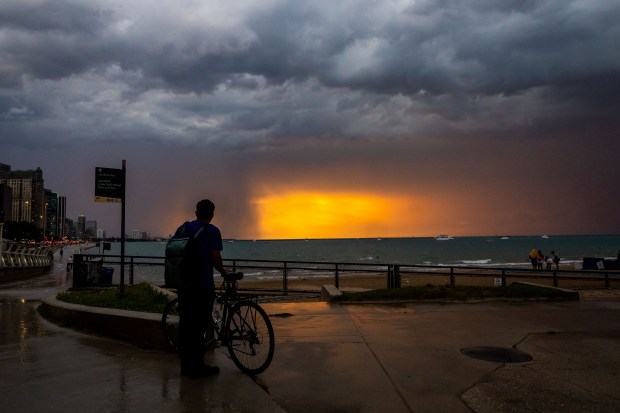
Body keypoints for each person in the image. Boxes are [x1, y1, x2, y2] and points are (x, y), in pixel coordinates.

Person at [174, 199, 229, 379]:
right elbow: (215, 257)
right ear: (212, 214)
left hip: (183, 285)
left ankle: (186, 366)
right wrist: (225, 272)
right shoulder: (212, 231)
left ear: (196, 212)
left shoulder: (182, 229)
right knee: (199, 327)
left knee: (185, 325)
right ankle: (198, 367)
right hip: (202, 286)